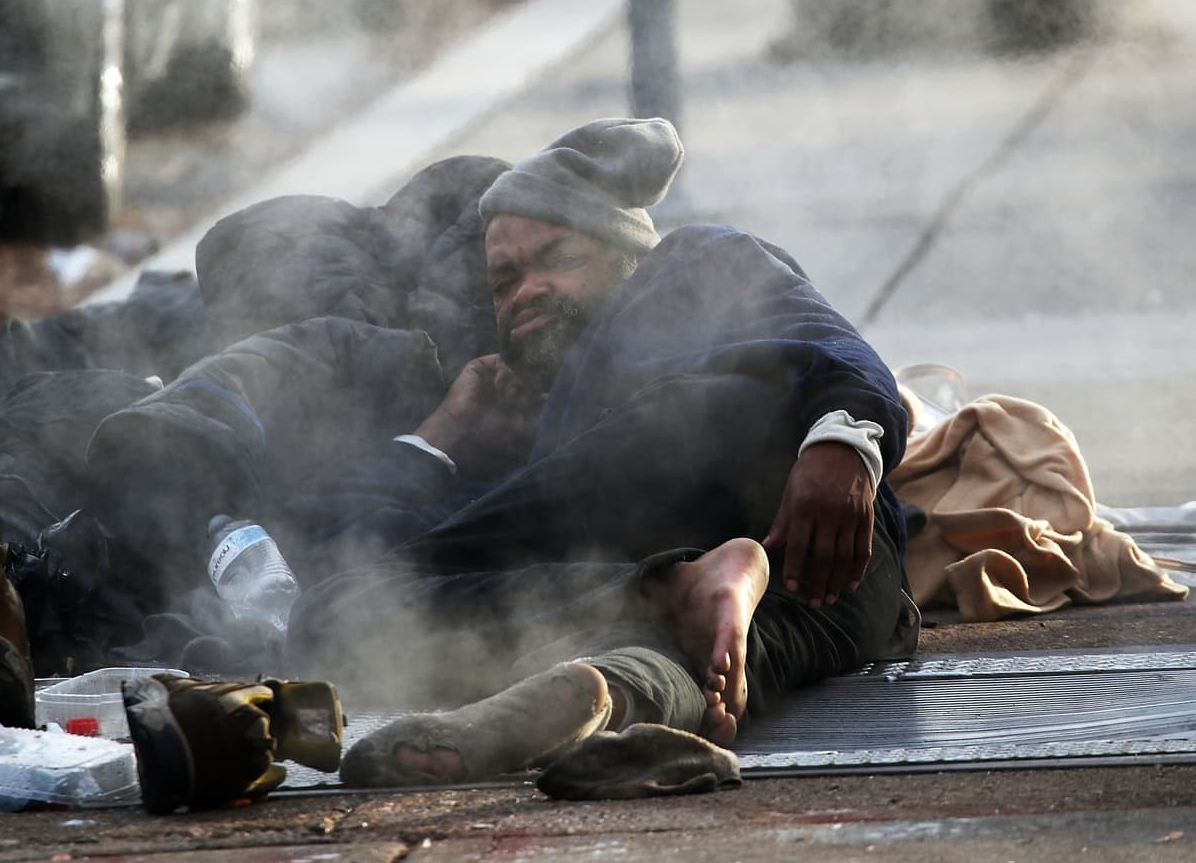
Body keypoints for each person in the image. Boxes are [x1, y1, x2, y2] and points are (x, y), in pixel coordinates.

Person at [277, 117, 919, 786]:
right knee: (737, 658)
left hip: (797, 503)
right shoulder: (532, 422)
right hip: (804, 585)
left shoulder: (685, 264)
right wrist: (445, 430)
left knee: (328, 612)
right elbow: (384, 535)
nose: (527, 291)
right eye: (504, 280)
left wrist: (844, 446)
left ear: (627, 255)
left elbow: (826, 341)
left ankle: (667, 592)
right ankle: (607, 692)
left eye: (559, 260)